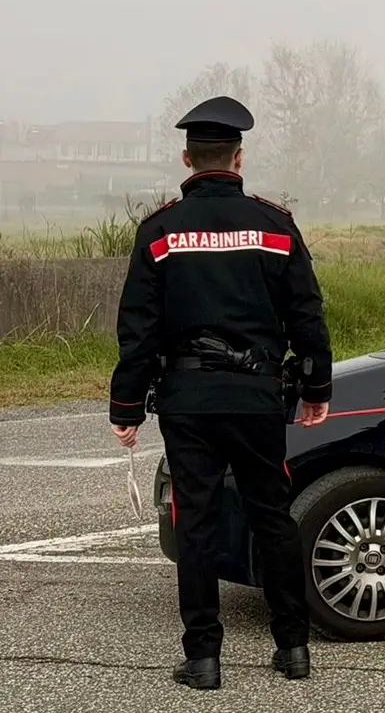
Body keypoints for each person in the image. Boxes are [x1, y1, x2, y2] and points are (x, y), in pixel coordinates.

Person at [108, 95, 333, 690]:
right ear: (239, 158)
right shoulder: (276, 226)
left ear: (188, 159)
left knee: (197, 524)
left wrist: (126, 406)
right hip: (257, 397)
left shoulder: (159, 231)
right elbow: (307, 315)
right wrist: (317, 386)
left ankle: (204, 659)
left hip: (187, 401)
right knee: (272, 517)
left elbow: (138, 329)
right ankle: (293, 648)